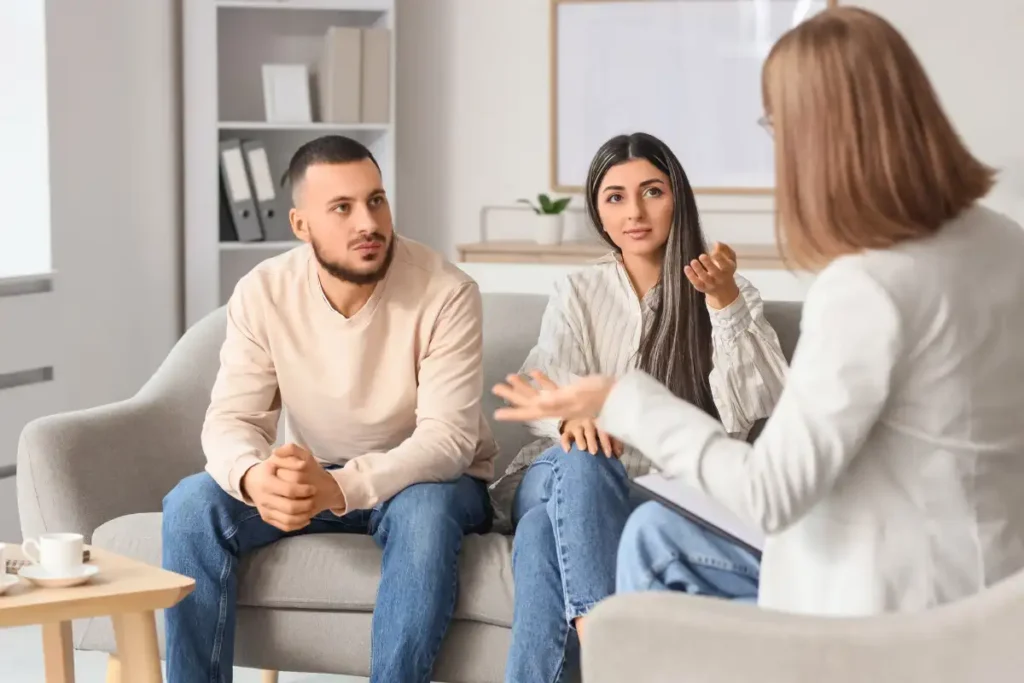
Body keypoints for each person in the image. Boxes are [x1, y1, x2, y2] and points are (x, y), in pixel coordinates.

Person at [492, 6, 1024, 619]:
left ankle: (610, 651)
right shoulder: (1003, 242)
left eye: (776, 128)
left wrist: (621, 397)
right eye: (615, 196)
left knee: (649, 541)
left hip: (901, 593)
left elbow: (771, 491)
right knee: (602, 529)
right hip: (995, 584)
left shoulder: (865, 288)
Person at [162, 135, 497, 683]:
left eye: (376, 200)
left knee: (425, 514)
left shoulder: (446, 292)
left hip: (430, 481)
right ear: (300, 224)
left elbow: (448, 441)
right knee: (192, 504)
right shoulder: (263, 292)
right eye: (341, 208)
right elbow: (232, 420)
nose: (368, 221)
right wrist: (253, 477)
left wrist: (340, 488)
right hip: (320, 477)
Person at [491, 132, 788, 682]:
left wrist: (722, 303)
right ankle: (611, 657)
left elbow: (750, 406)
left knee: (538, 538)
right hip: (561, 472)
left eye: (651, 191)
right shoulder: (578, 290)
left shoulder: (729, 290)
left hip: (660, 497)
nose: (635, 212)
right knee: (583, 456)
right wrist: (568, 417)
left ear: (678, 196)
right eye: (615, 197)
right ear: (599, 214)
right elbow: (540, 385)